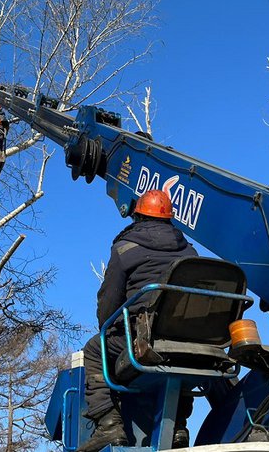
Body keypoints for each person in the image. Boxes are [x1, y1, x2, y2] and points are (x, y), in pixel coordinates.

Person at [78, 190, 197, 452]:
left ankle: (109, 423)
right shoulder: (190, 251)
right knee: (182, 361)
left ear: (138, 215)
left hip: (148, 338)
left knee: (95, 349)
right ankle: (177, 425)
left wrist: (107, 328)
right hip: (189, 339)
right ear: (169, 218)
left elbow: (109, 301)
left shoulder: (125, 248)